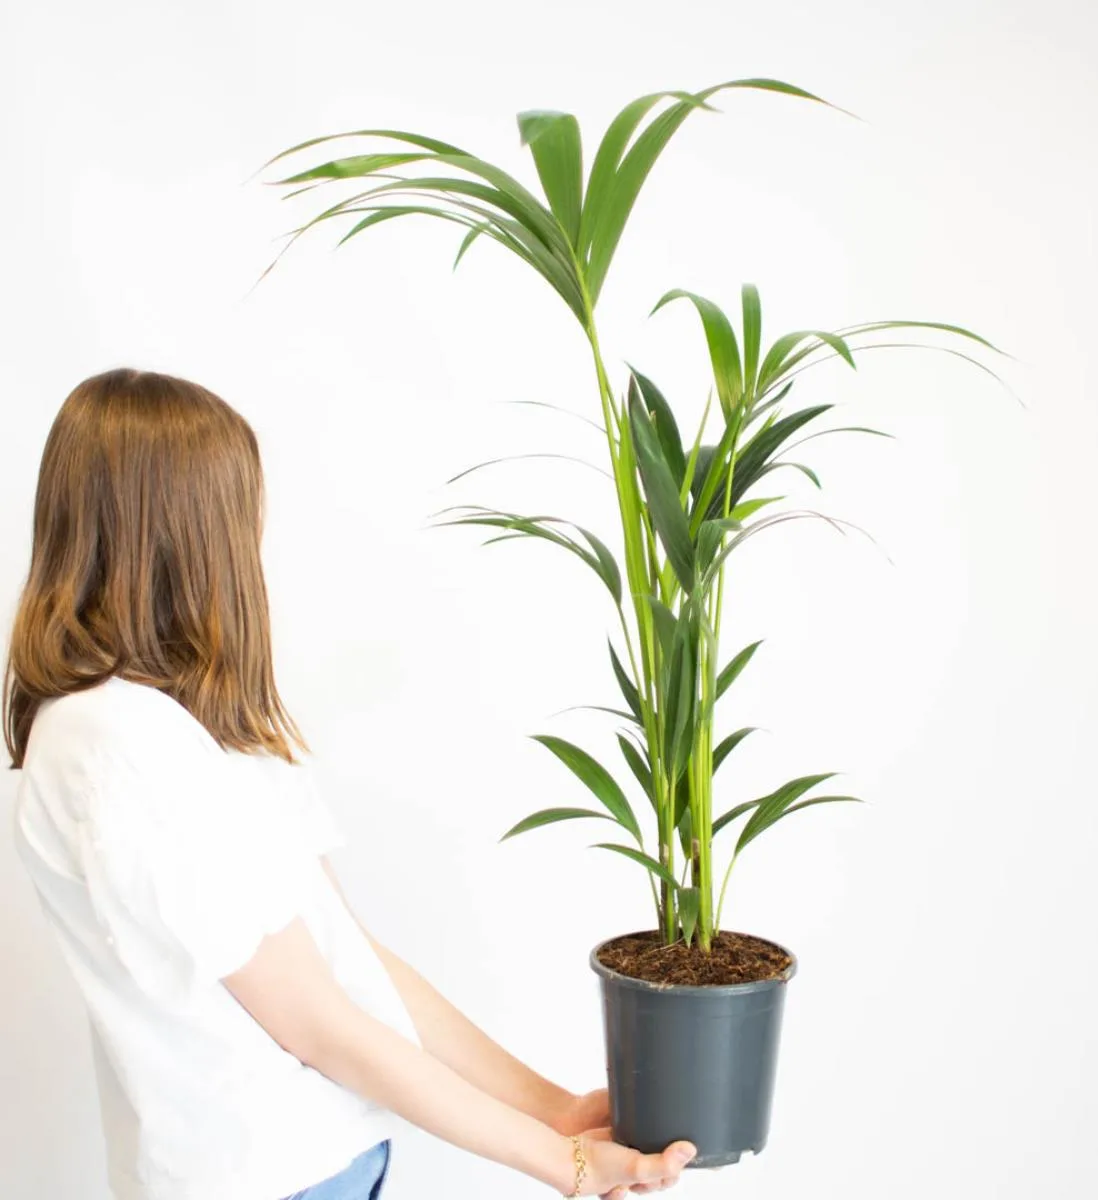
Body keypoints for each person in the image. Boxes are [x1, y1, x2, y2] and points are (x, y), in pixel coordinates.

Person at [5, 369, 696, 1200]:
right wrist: (563, 1164)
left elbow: (353, 966)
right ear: (188, 530)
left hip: (330, 1165)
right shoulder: (111, 740)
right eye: (239, 511)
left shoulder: (205, 726)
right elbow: (312, 1021)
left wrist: (558, 1114)